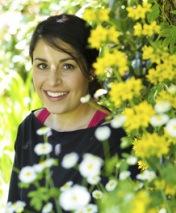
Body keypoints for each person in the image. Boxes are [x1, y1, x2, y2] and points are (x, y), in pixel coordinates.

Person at [7, 14, 137, 212]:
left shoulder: (113, 138)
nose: (53, 81)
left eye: (67, 66)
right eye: (42, 66)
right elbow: (15, 205)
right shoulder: (30, 127)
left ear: (91, 70)